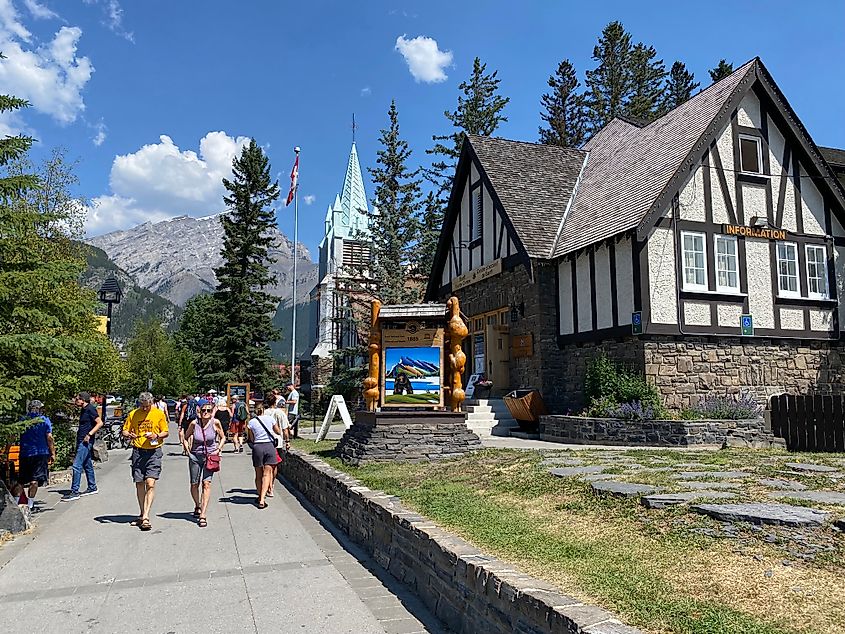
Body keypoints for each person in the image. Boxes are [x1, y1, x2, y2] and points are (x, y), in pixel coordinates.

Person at [122, 392, 169, 531]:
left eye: (147, 406)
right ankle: (142, 513)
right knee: (139, 483)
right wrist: (128, 434)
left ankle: (146, 516)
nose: (144, 409)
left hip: (154, 451)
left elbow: (165, 432)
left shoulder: (158, 414)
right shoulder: (133, 414)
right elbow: (125, 430)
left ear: (152, 403)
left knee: (151, 483)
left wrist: (156, 435)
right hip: (138, 451)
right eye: (142, 406)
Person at [184, 399, 224, 527]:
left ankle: (203, 514)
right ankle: (197, 505)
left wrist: (218, 449)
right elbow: (185, 438)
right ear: (199, 411)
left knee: (206, 484)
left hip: (210, 457)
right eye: (203, 410)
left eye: (209, 410)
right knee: (194, 484)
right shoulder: (194, 424)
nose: (206, 412)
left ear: (212, 412)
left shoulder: (215, 423)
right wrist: (187, 450)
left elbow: (222, 437)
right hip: (195, 456)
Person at [62, 392, 104, 502]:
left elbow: (99, 423)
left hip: (85, 441)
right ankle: (92, 487)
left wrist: (89, 434)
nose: (76, 401)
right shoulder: (84, 409)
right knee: (87, 464)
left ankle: (75, 491)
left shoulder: (90, 409)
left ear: (83, 400)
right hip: (81, 440)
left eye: (77, 399)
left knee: (77, 465)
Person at [18, 400, 55, 511]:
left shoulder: (23, 420)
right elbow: (49, 438)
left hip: (25, 453)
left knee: (21, 480)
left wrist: (7, 450)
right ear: (39, 408)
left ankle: (16, 502)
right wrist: (52, 452)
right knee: (35, 480)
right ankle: (30, 504)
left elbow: (13, 434)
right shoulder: (44, 420)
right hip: (40, 452)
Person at [246, 403, 280, 508]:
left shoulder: (251, 422)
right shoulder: (270, 419)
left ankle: (259, 494)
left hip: (258, 447)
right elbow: (277, 431)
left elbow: (251, 438)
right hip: (269, 446)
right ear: (263, 410)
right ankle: (262, 499)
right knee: (267, 473)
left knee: (258, 474)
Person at [263, 401, 291, 497]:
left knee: (266, 466)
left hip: (265, 441)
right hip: (277, 442)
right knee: (274, 465)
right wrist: (287, 441)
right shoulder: (280, 413)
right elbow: (285, 429)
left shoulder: (264, 412)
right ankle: (271, 485)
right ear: (275, 403)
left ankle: (267, 484)